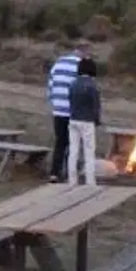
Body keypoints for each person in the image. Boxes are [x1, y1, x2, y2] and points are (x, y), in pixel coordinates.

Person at [46, 41, 88, 181]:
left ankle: (54, 173)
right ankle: (70, 173)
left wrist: (55, 102)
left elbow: (50, 85)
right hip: (74, 110)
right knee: (74, 143)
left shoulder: (58, 63)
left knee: (60, 142)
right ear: (84, 53)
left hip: (58, 110)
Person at [67, 57, 102, 185]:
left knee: (73, 150)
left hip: (73, 119)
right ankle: (90, 181)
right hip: (87, 121)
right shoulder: (92, 85)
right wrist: (97, 120)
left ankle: (72, 179)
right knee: (89, 151)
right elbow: (96, 106)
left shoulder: (73, 84)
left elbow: (70, 100)